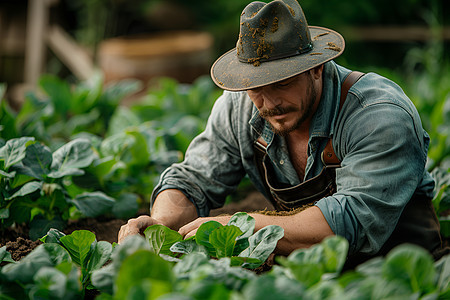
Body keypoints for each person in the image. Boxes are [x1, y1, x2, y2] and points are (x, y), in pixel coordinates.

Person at [118, 0, 446, 266]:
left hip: (394, 276)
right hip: (306, 277)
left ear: (316, 67)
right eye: (256, 88)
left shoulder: (378, 115)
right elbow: (193, 180)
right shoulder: (239, 106)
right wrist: (163, 223)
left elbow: (349, 225)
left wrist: (237, 225)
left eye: (283, 83)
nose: (270, 102)